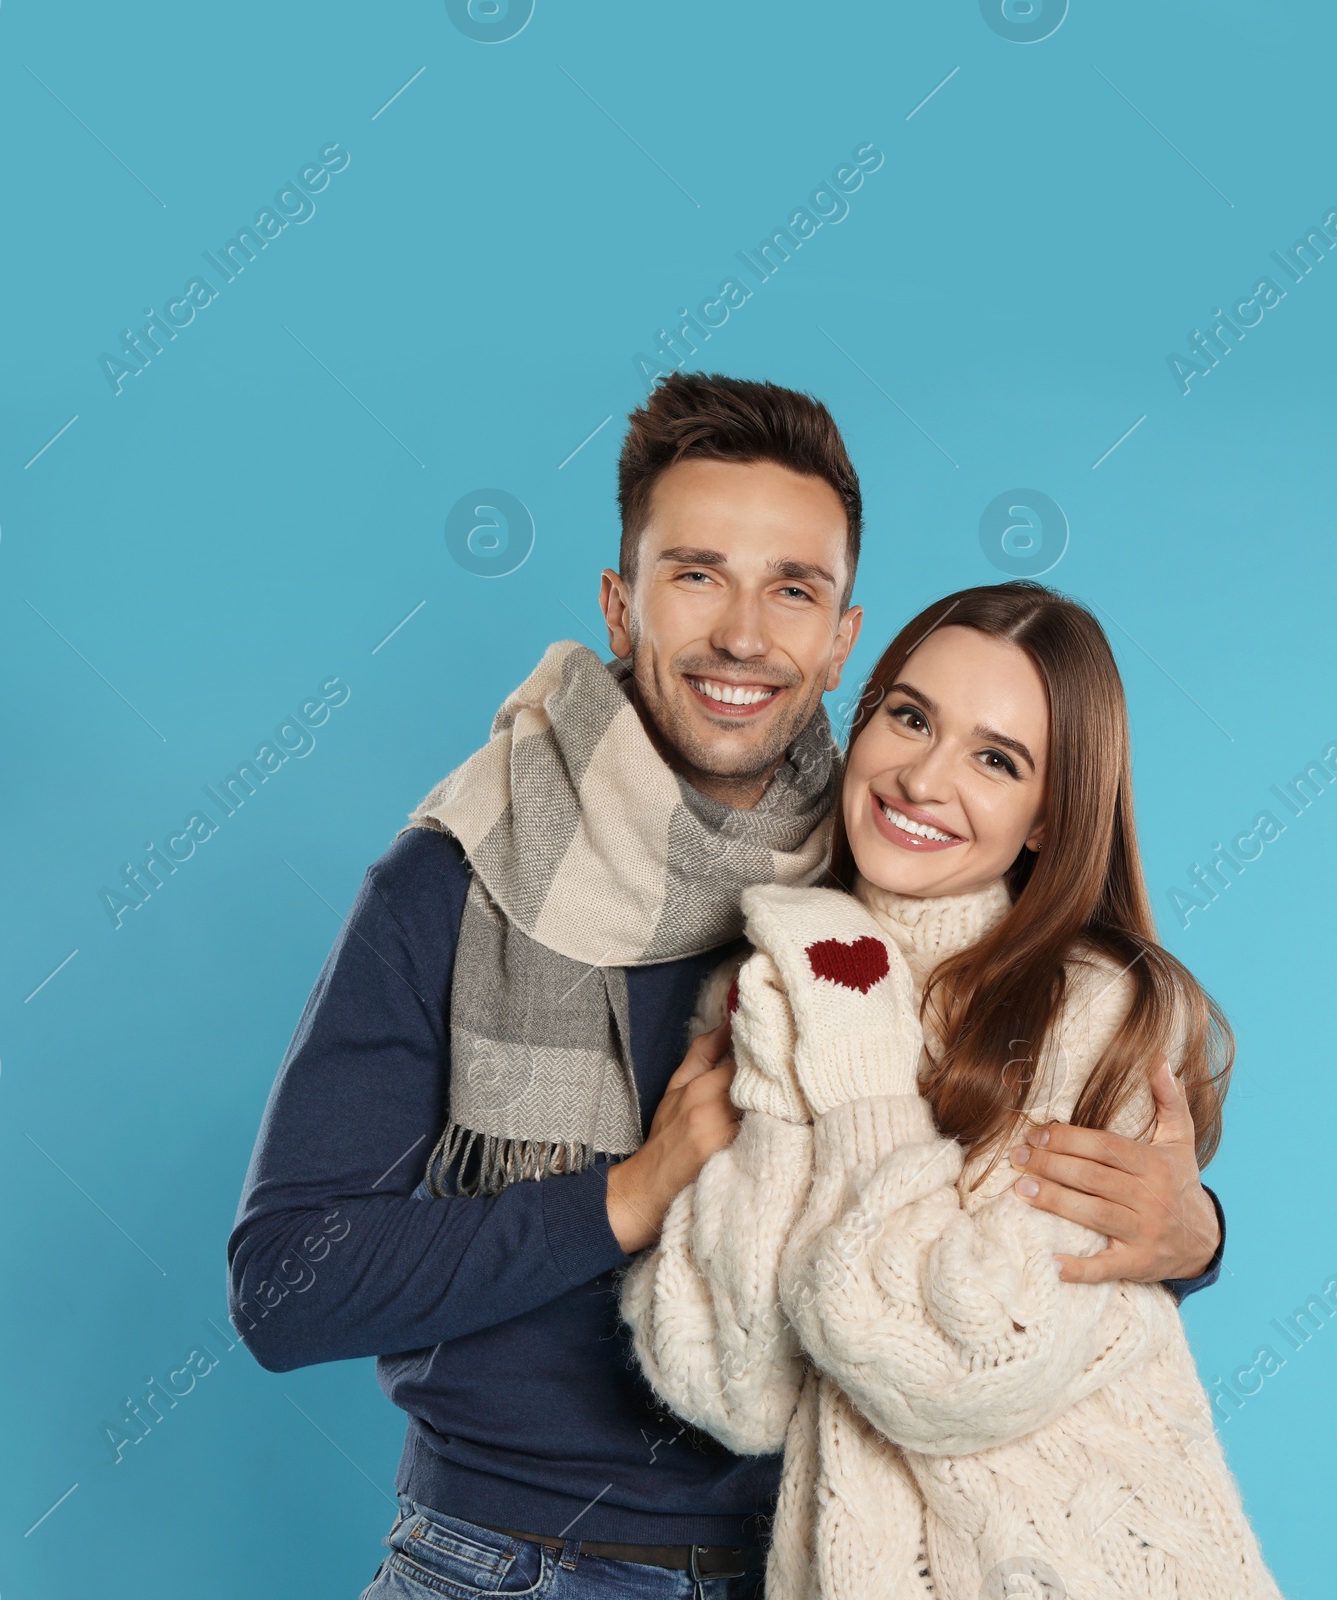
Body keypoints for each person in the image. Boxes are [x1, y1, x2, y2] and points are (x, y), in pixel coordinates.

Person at [227, 376, 1226, 1599]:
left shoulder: (902, 881)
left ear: (842, 638)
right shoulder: (459, 877)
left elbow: (1007, 1217)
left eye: (792, 589)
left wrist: (1189, 1236)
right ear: (619, 606)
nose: (744, 635)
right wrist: (628, 1194)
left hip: (829, 1563)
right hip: (505, 1563)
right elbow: (285, 1289)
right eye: (696, 574)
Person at [624, 582, 1279, 1599]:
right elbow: (733, 1384)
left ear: (1044, 817)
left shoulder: (1096, 1012)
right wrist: (817, 1009)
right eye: (910, 716)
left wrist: (856, 1070)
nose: (923, 778)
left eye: (994, 758)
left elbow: (953, 1367)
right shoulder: (788, 970)